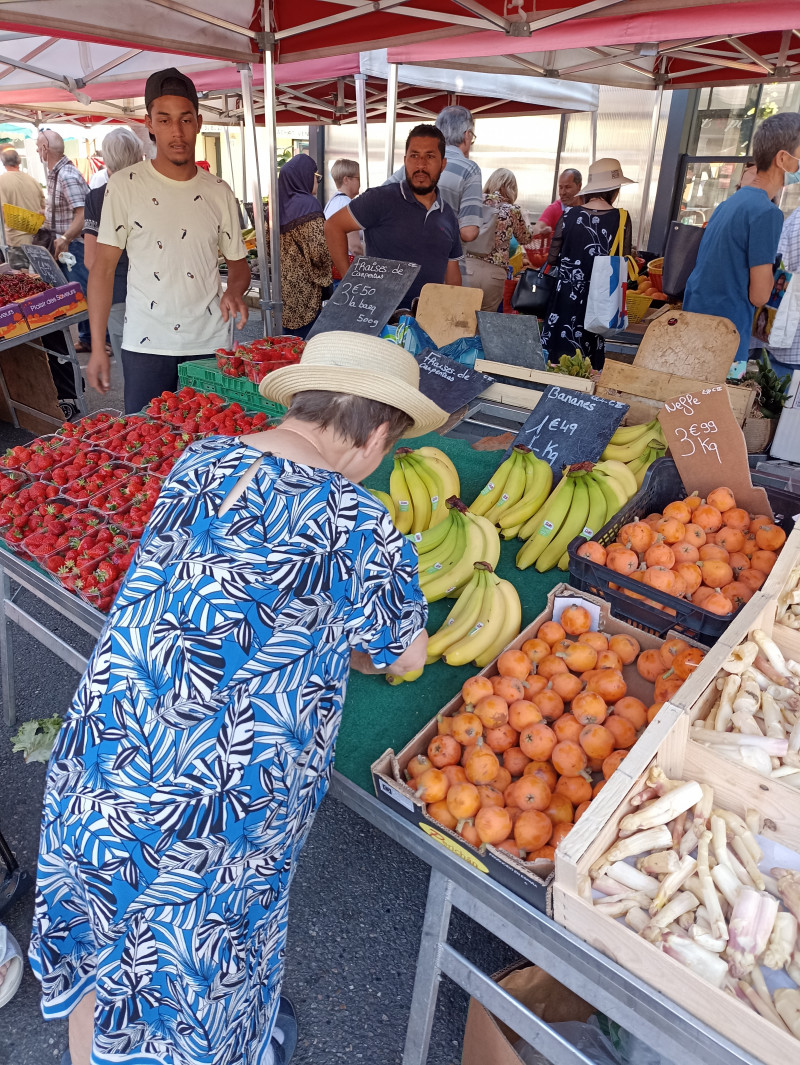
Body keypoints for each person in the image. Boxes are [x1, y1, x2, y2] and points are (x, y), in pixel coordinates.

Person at [29, 329, 444, 1065]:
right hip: (214, 802)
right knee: (199, 974)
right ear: (379, 432)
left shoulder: (202, 457)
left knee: (104, 949)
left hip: (106, 751)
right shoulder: (359, 521)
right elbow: (402, 651)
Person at [86, 67, 250, 414]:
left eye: (185, 120)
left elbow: (238, 265)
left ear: (199, 122)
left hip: (210, 342)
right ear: (149, 123)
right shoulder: (125, 186)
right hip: (146, 342)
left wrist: (234, 291)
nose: (176, 132)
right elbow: (102, 270)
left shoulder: (219, 192)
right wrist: (98, 346)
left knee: (211, 443)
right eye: (164, 120)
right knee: (145, 448)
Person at [683, 112, 800, 371]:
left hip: (696, 325)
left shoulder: (729, 204)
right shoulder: (767, 213)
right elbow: (759, 295)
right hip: (727, 335)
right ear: (782, 158)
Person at [325, 124, 462, 308]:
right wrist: (350, 285)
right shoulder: (380, 198)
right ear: (405, 160)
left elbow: (452, 276)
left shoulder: (448, 215)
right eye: (414, 156)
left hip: (426, 323)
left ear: (443, 164)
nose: (421, 165)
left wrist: (455, 312)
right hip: (378, 321)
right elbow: (333, 226)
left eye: (430, 157)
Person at [540, 157, 635, 371]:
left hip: (564, 297)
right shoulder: (621, 218)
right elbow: (623, 262)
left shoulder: (569, 214)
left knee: (556, 360)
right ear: (615, 189)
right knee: (586, 366)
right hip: (597, 301)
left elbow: (552, 259)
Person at [82, 128, 143, 361]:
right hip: (161, 294)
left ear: (106, 159)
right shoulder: (155, 190)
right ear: (139, 155)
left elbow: (90, 260)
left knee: (133, 371)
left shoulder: (97, 197)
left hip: (118, 294)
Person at [387, 105, 483, 249]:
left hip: (407, 259)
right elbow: (468, 232)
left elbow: (379, 202)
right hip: (446, 262)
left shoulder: (414, 165)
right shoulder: (469, 170)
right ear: (466, 135)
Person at [37, 128, 91, 350]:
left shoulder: (66, 175)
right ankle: (88, 338)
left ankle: (95, 340)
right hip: (67, 244)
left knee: (83, 292)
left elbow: (84, 212)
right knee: (76, 292)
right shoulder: (58, 173)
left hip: (74, 245)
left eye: (37, 148)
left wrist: (67, 237)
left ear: (44, 149)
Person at [277, 154, 333, 339]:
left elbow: (269, 249)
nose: (316, 180)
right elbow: (319, 251)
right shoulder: (308, 205)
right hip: (306, 292)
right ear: (303, 176)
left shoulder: (275, 207)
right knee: (305, 348)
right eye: (315, 176)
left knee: (284, 348)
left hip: (281, 291)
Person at [465, 167, 531, 312]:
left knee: (460, 317)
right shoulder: (512, 210)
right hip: (494, 275)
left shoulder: (475, 201)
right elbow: (525, 239)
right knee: (484, 322)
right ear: (511, 188)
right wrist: (525, 218)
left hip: (468, 268)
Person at [0, 148, 45, 263]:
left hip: (16, 241)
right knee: (39, 277)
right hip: (38, 239)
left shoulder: (2, 181)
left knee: (22, 278)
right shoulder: (33, 180)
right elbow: (44, 208)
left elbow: (3, 212)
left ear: (3, 162)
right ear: (19, 161)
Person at [323, 158, 364, 258]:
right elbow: (354, 247)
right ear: (346, 180)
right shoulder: (347, 204)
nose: (360, 183)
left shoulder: (332, 202)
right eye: (358, 178)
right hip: (346, 263)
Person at [532, 168, 583, 238]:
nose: (562, 192)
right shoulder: (554, 208)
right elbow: (537, 227)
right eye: (560, 187)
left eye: (567, 187)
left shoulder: (589, 204)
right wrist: (540, 231)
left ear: (579, 186)